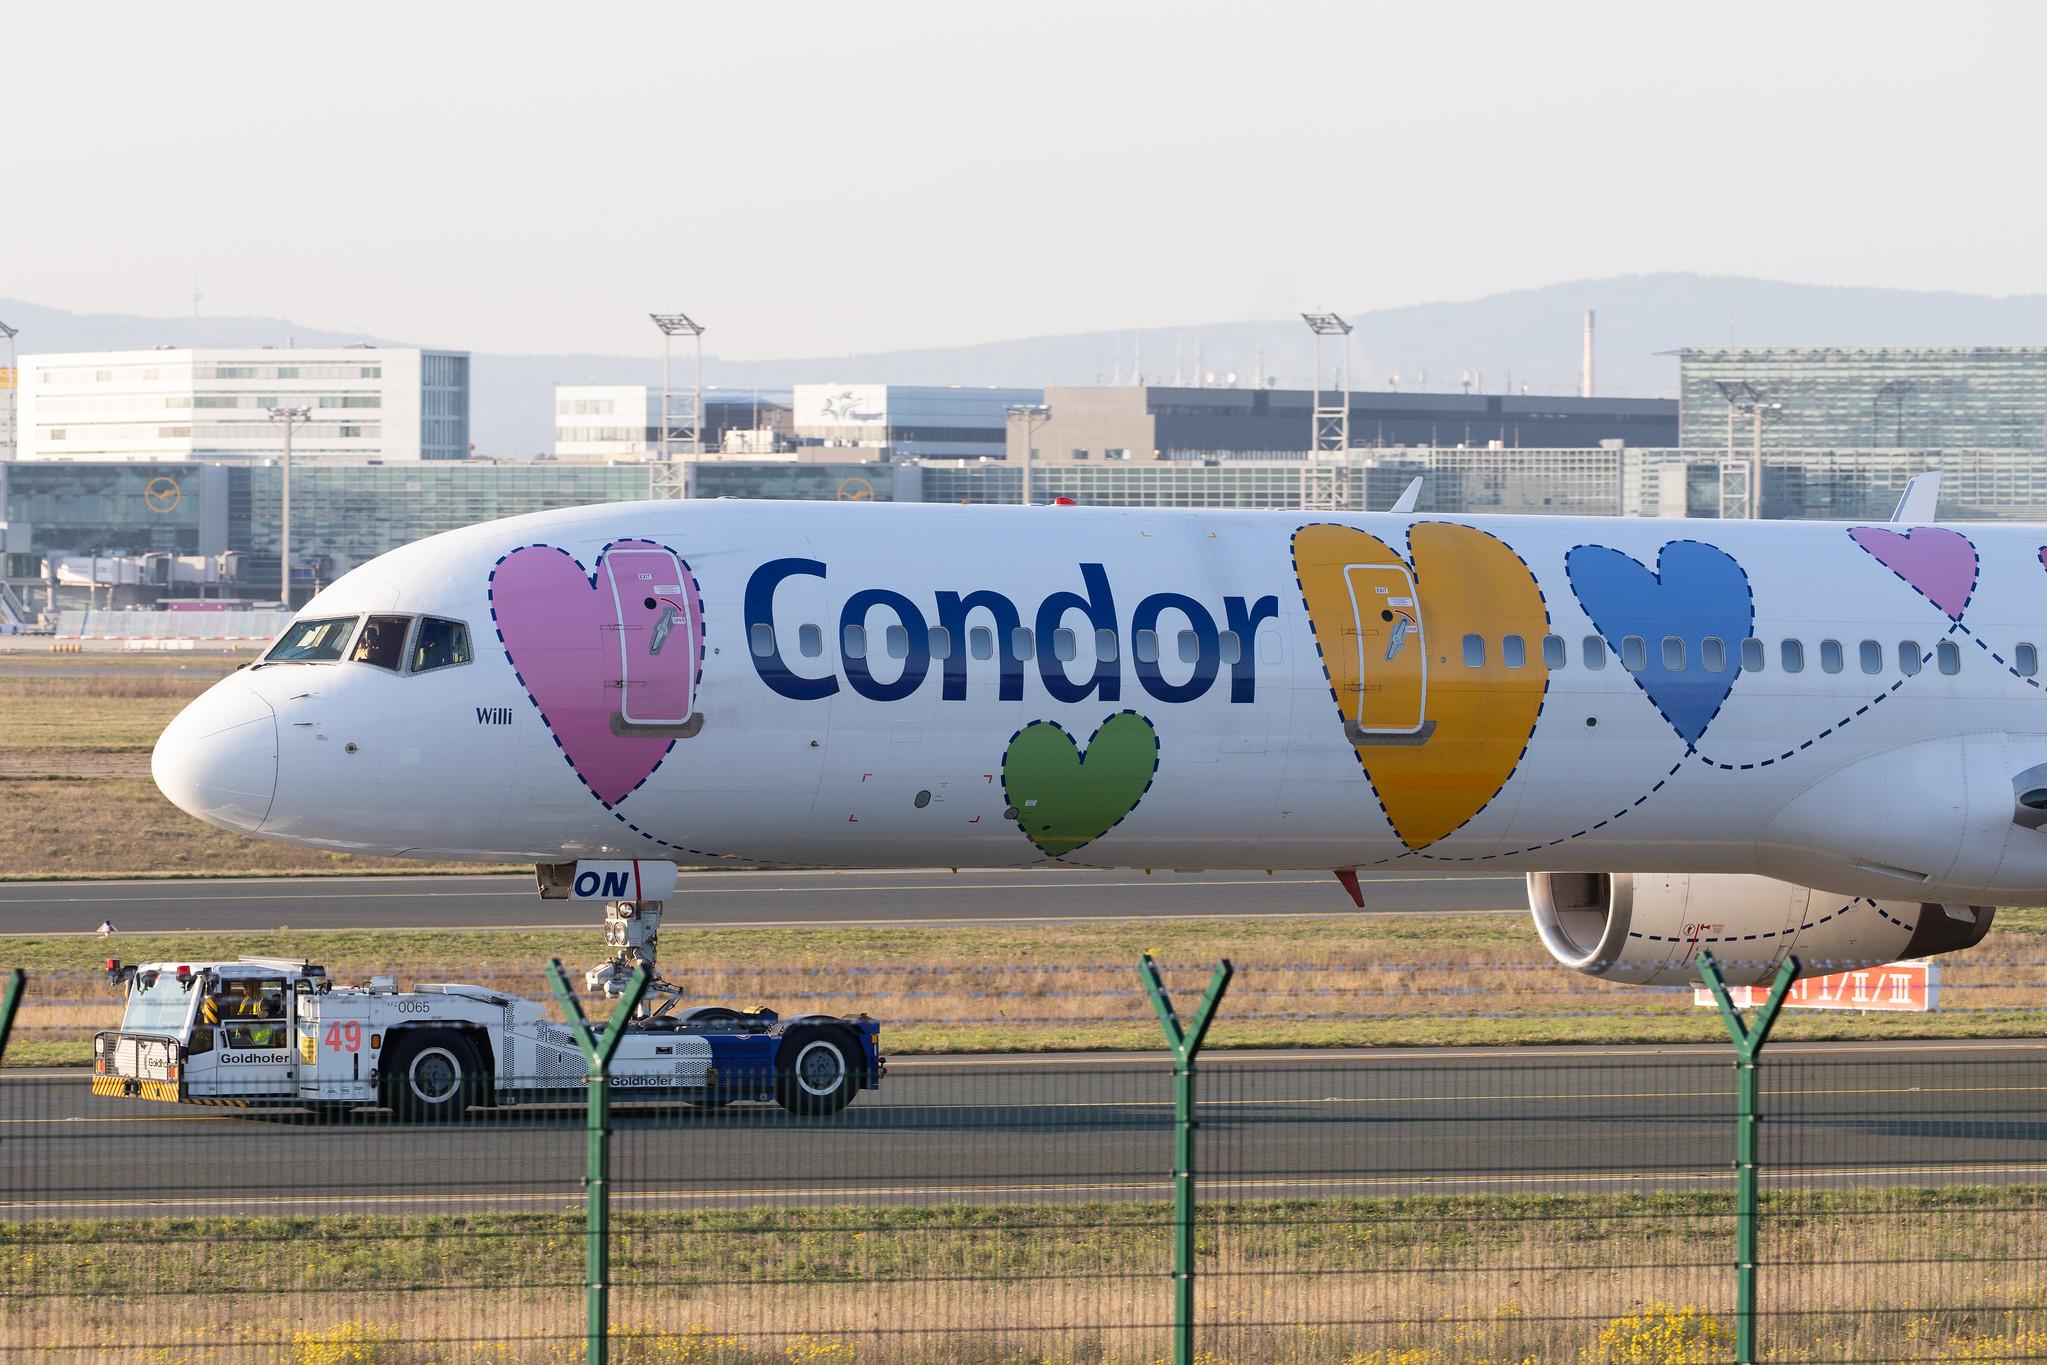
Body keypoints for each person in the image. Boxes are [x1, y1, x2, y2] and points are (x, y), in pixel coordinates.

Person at [225, 979, 280, 1048]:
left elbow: (272, 1010)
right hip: (245, 1037)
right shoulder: (246, 1000)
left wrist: (266, 1013)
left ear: (255, 987)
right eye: (243, 987)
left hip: (261, 1042)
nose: (244, 990)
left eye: (246, 987)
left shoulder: (262, 1001)